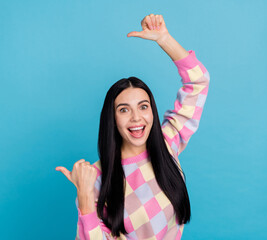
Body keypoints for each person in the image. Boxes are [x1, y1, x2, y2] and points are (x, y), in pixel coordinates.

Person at [55, 13, 210, 240]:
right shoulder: (97, 177)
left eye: (143, 107)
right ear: (112, 118)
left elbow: (198, 82)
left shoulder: (167, 143)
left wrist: (164, 39)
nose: (137, 118)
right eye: (124, 110)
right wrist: (86, 200)